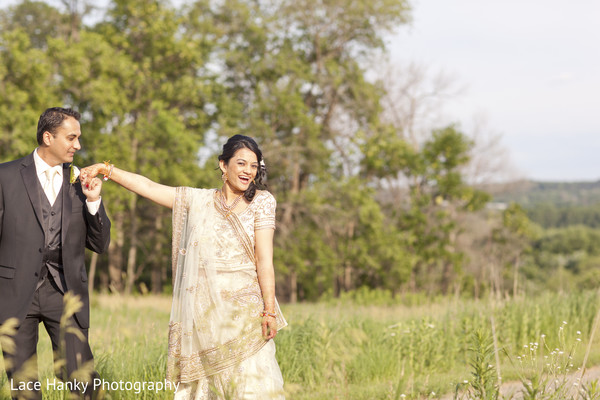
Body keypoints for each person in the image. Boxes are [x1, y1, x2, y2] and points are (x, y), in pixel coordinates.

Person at [80, 134, 287, 399]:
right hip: (204, 318)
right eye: (241, 163)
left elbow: (264, 262)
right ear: (223, 165)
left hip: (245, 316)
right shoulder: (198, 200)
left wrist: (269, 311)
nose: (248, 171)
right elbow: (149, 187)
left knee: (250, 387)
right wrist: (107, 170)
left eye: (254, 166)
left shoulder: (262, 202)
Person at [0, 107, 112, 399]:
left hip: (65, 293)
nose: (78, 145)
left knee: (83, 380)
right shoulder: (5, 176)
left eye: (78, 138)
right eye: (71, 137)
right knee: (24, 387)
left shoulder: (81, 181)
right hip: (14, 292)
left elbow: (100, 245)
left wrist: (93, 201)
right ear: (48, 137)